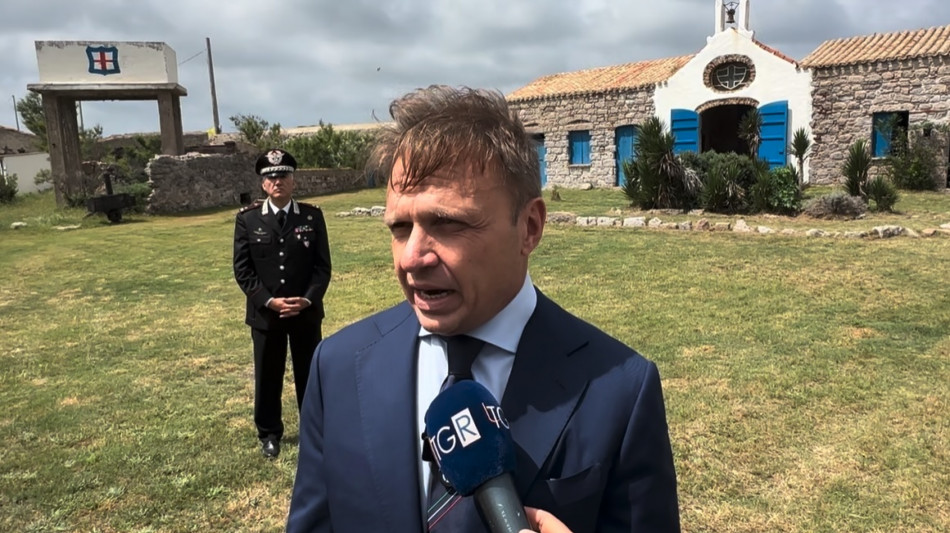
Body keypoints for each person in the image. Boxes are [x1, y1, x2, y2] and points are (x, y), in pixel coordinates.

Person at [287, 86, 679, 532]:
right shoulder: (338, 367)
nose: (411, 258)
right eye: (399, 228)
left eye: (447, 223)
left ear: (529, 228)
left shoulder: (621, 390)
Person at [233, 148, 331, 458]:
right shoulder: (247, 219)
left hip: (305, 312)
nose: (278, 181)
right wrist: (268, 301)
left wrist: (307, 299)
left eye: (284, 175)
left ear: (293, 181)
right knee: (267, 374)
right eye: (271, 177)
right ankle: (269, 433)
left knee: (309, 374)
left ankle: (314, 430)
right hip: (267, 315)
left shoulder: (311, 216)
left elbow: (322, 267)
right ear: (263, 184)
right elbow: (243, 269)